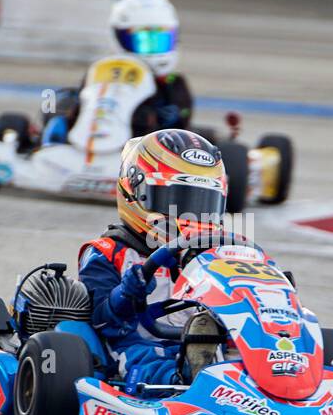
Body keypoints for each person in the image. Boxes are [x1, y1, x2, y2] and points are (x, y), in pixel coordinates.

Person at [77, 128, 227, 386]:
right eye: (177, 201)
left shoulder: (214, 255)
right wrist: (127, 292)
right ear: (134, 190)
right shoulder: (107, 252)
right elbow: (101, 321)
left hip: (201, 340)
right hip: (131, 343)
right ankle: (182, 379)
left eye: (202, 204)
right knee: (149, 360)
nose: (190, 215)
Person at [42, 0, 193, 145]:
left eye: (160, 41)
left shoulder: (173, 85)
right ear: (118, 37)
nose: (153, 49)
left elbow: (183, 126)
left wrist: (169, 119)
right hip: (87, 136)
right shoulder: (101, 71)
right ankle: (52, 143)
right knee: (59, 102)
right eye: (143, 41)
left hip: (146, 150)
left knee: (147, 116)